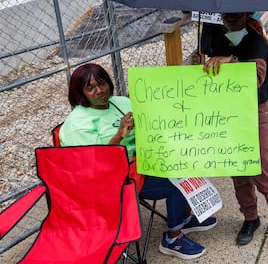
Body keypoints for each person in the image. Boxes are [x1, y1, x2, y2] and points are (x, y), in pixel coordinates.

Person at [59, 64, 217, 261]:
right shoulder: (77, 123)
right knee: (175, 185)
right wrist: (118, 136)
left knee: (185, 164)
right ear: (80, 93)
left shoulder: (120, 102)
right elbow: (89, 165)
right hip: (110, 181)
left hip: (140, 163)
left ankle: (183, 218)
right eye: (90, 88)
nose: (99, 91)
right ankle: (172, 239)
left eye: (101, 83)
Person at [201, 12, 268, 248]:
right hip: (230, 112)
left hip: (257, 112)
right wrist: (198, 65)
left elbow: (257, 76)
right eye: (227, 13)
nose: (231, 17)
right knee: (239, 172)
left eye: (237, 12)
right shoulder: (214, 38)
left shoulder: (256, 39)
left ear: (246, 13)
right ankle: (250, 218)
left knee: (263, 170)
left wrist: (232, 61)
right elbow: (206, 75)